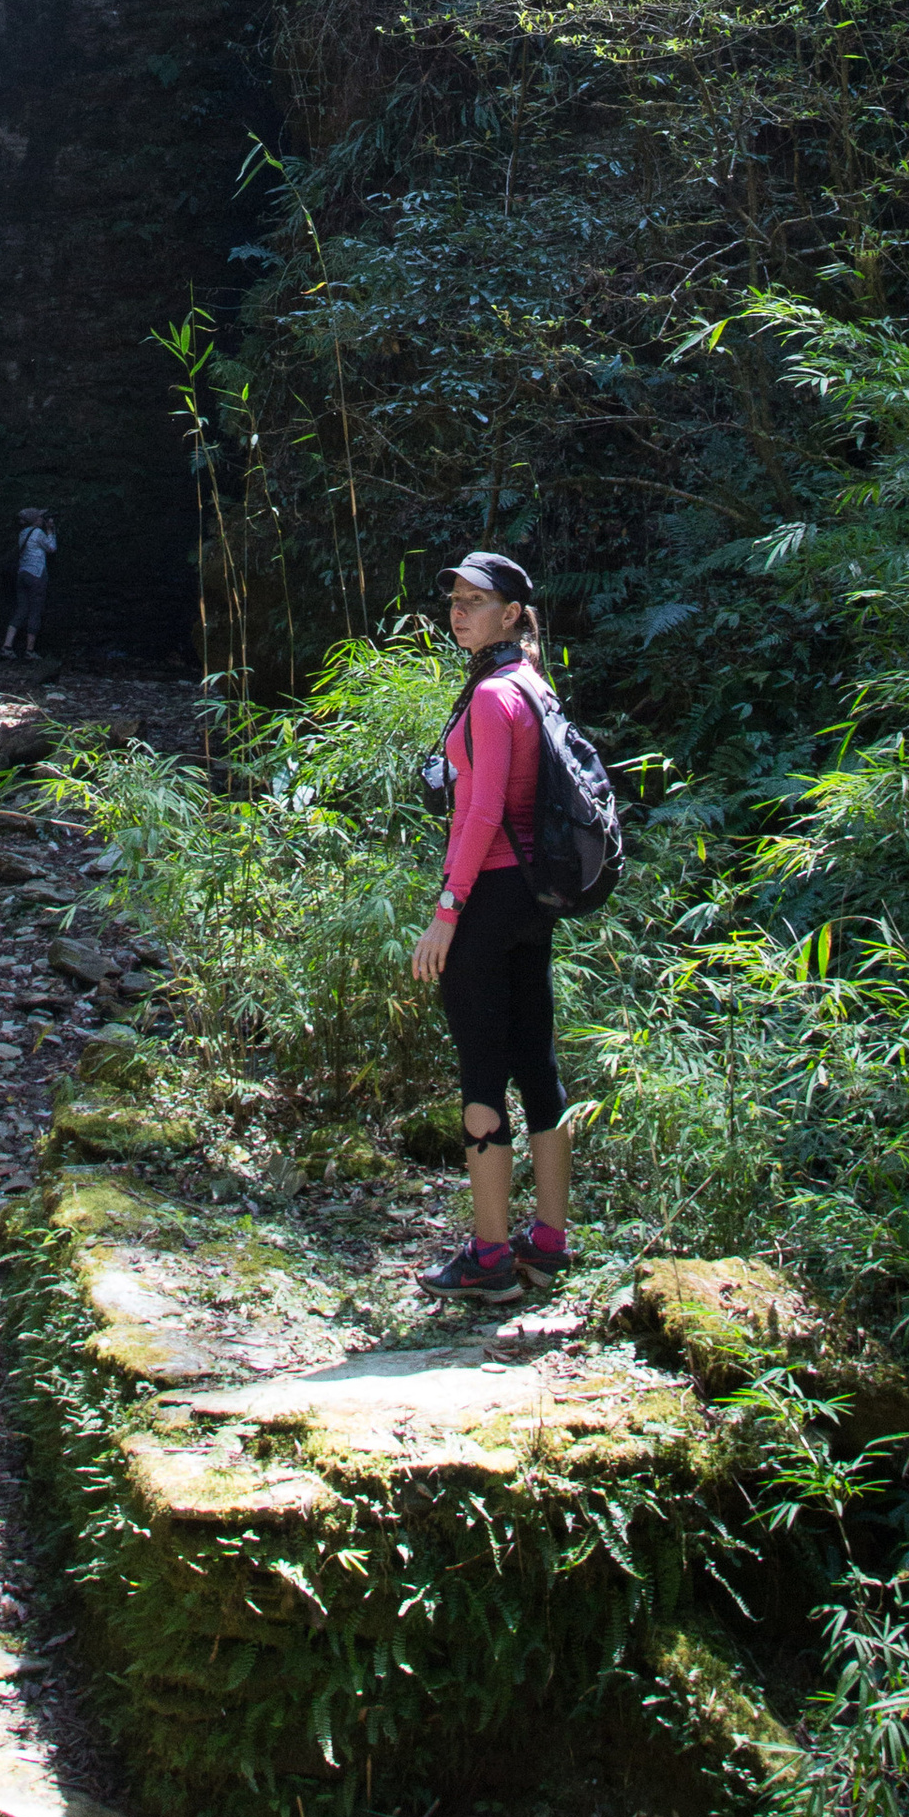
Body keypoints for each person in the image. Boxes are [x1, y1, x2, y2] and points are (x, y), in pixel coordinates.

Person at [409, 548, 574, 1302]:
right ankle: (547, 1240)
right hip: (534, 898)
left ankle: (488, 1256)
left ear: (511, 614)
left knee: (483, 1064)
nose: (460, 611)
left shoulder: (489, 697)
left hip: (491, 891)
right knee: (535, 1059)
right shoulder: (533, 683)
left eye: (477, 600)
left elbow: (480, 815)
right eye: (456, 599)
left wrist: (447, 914)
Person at [2, 507, 56, 659]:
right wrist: (50, 530)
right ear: (36, 520)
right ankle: (30, 650)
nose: (42, 519)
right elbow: (51, 548)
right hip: (36, 574)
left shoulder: (23, 533)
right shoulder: (38, 533)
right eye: (40, 517)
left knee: (21, 610)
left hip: (23, 574)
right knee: (35, 610)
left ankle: (7, 646)